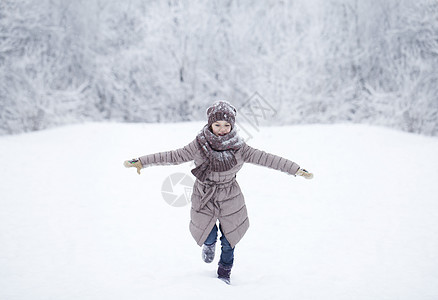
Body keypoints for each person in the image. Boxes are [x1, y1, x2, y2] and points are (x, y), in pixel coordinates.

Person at [124, 101, 313, 284]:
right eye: (217, 124)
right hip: (204, 194)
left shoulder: (240, 148)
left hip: (230, 195)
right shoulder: (199, 145)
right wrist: (142, 161)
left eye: (226, 125)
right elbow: (174, 156)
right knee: (207, 232)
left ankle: (224, 273)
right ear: (210, 124)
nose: (222, 129)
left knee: (230, 239)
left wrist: (295, 169)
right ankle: (208, 244)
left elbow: (267, 159)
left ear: (232, 125)